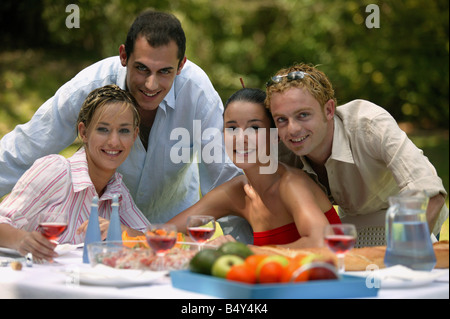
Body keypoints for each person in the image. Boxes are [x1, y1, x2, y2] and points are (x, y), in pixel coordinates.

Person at [0, 10, 248, 242]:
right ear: (123, 56)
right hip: (103, 233)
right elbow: (24, 149)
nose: (151, 85)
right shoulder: (90, 85)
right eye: (141, 68)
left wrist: (240, 250)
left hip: (171, 232)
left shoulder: (198, 94)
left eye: (164, 71)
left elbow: (226, 179)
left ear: (181, 65)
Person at [265, 63, 448, 246]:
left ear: (329, 110)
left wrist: (405, 254)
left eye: (303, 115)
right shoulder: (283, 153)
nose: (293, 129)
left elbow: (431, 194)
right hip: (358, 223)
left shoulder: (370, 125)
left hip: (414, 218)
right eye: (281, 119)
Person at [168, 88, 341, 248]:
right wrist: (201, 245)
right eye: (232, 128)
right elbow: (162, 233)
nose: (241, 138)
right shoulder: (237, 192)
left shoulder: (291, 184)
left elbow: (322, 243)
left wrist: (245, 251)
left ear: (275, 136)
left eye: (254, 128)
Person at [0, 85, 150, 261]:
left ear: (134, 136)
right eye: (103, 129)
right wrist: (22, 240)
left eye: (124, 130)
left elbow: (152, 238)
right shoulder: (56, 170)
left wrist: (123, 231)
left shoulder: (117, 190)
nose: (114, 141)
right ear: (84, 132)